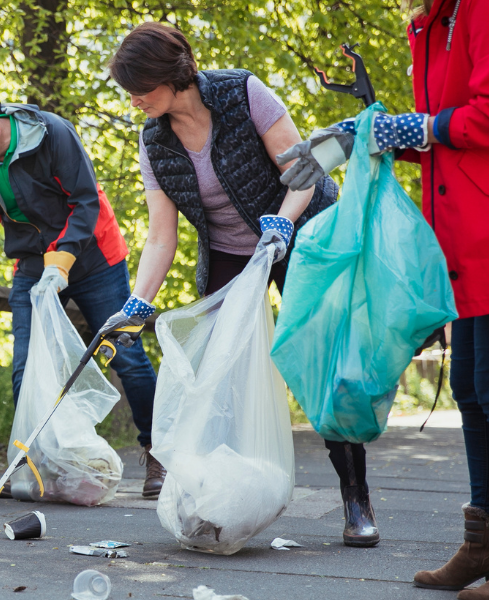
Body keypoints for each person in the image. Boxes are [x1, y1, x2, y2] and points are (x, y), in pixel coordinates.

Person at [280, 0, 489, 597]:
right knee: (469, 385)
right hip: (468, 236)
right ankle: (488, 541)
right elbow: (447, 128)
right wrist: (361, 137)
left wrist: (411, 128)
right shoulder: (438, 19)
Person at [102, 23, 399, 548]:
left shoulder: (243, 93)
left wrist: (281, 226)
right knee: (216, 375)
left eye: (140, 88)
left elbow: (301, 171)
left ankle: (356, 498)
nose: (135, 101)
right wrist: (136, 304)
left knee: (319, 364)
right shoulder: (154, 142)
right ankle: (219, 500)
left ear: (171, 75)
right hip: (230, 254)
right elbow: (160, 238)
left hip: (301, 233)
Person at [0, 95, 165, 497]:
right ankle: (35, 463)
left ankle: (159, 453)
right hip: (33, 265)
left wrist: (63, 261)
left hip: (94, 256)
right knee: (25, 366)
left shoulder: (52, 133)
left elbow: (84, 200)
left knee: (125, 354)